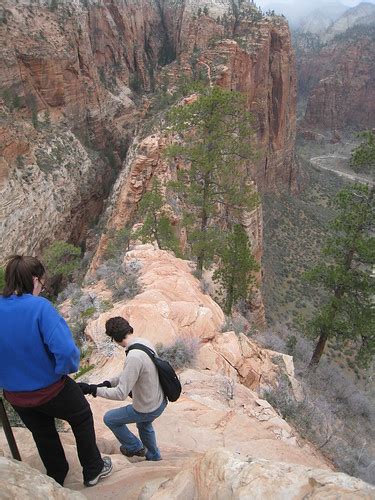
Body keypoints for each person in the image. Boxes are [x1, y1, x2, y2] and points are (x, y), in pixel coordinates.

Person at [0, 255, 112, 487]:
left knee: (43, 434)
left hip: (16, 395)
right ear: (34, 280)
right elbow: (67, 352)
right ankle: (93, 469)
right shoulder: (40, 307)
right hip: (50, 388)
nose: (42, 286)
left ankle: (57, 474)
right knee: (81, 416)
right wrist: (62, 371)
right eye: (41, 281)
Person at [78, 317, 167, 461]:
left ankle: (134, 447)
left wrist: (92, 390)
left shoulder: (133, 356)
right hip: (160, 399)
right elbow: (129, 373)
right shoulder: (144, 343)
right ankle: (154, 455)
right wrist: (108, 383)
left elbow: (120, 393)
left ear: (115, 338)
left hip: (147, 407)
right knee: (144, 425)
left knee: (110, 418)